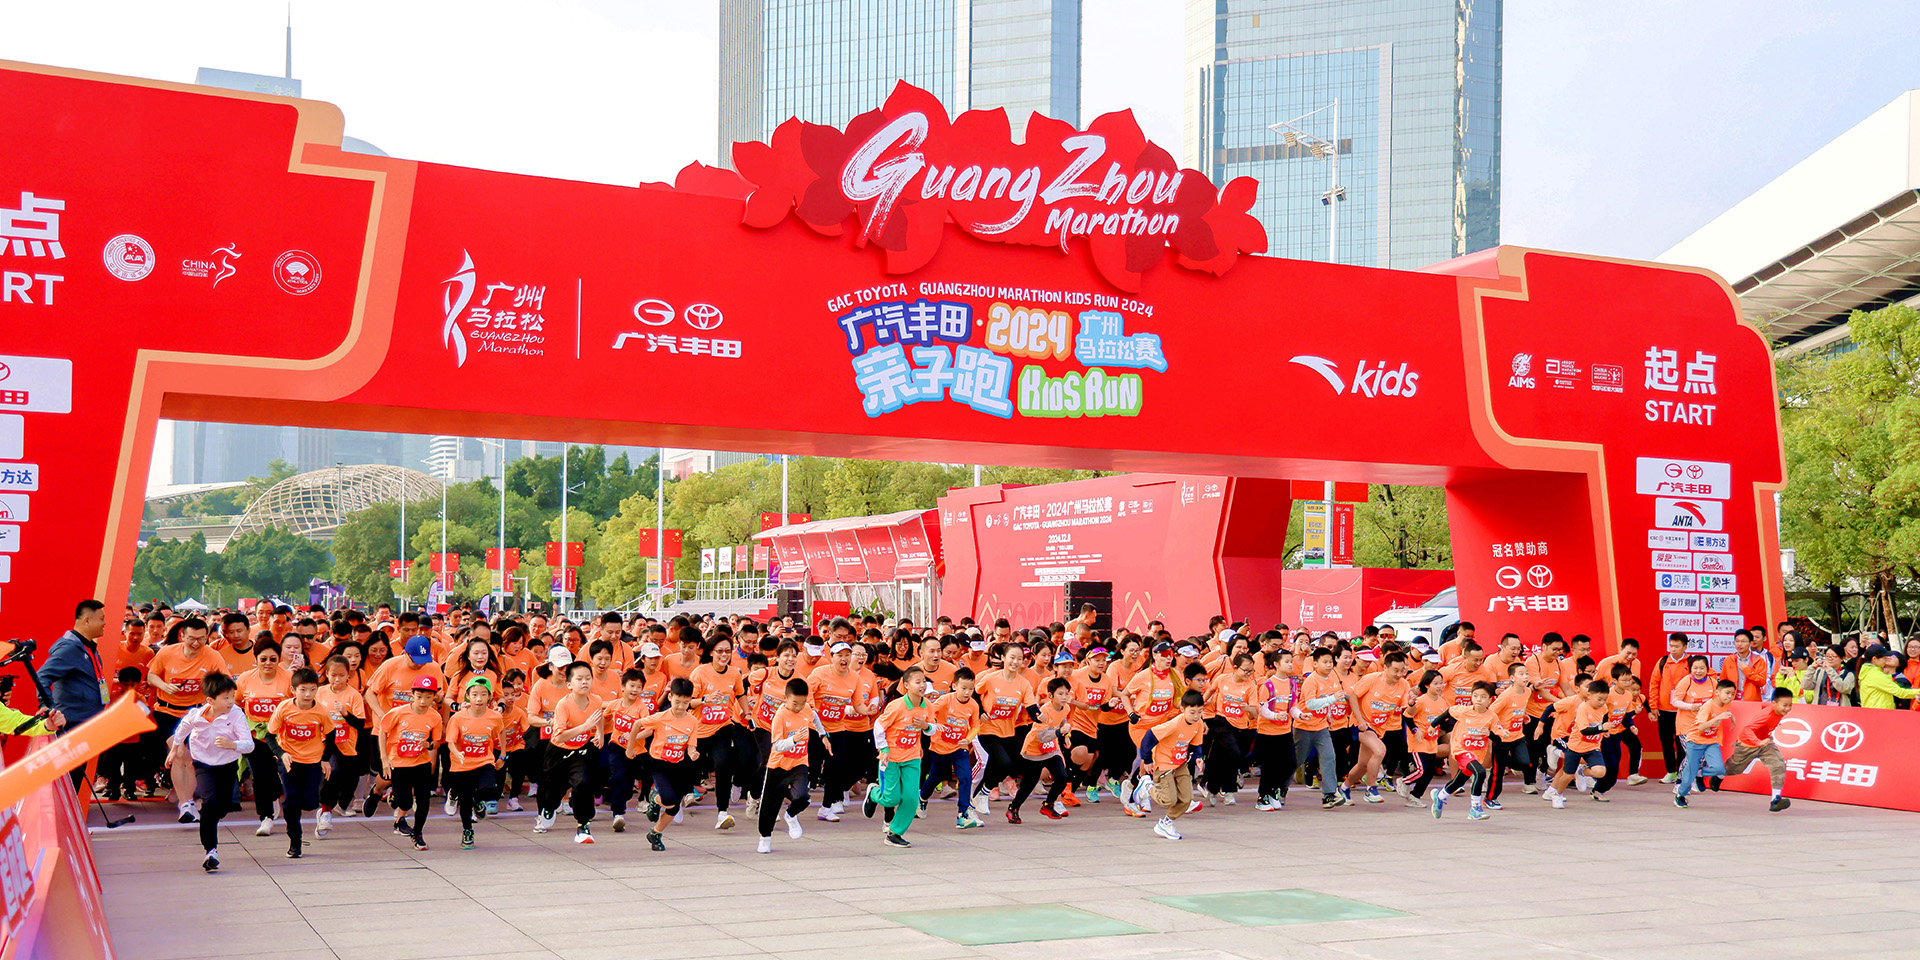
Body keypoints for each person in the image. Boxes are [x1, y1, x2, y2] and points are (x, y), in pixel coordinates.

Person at [168, 671, 251, 872]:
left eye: (232, 696)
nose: (231, 702)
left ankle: (214, 815)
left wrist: (233, 744)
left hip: (228, 764)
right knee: (210, 804)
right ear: (210, 700)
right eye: (226, 698)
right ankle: (211, 851)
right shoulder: (196, 715)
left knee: (223, 806)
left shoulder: (236, 714)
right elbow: (182, 728)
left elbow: (249, 745)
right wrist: (175, 748)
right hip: (203, 764)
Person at [148, 617, 227, 822]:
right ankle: (185, 804)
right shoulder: (167, 653)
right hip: (167, 712)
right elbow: (151, 676)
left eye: (201, 639)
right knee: (178, 752)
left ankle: (187, 800)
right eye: (191, 638)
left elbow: (224, 682)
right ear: (182, 636)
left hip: (195, 713)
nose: (196, 643)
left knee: (190, 757)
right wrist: (164, 686)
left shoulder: (213, 656)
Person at [264, 668, 333, 859]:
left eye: (312, 689)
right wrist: (282, 753)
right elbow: (269, 736)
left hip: (313, 761)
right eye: (303, 690)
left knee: (309, 803)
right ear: (293, 690)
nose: (308, 694)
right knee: (291, 802)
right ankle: (295, 840)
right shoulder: (284, 708)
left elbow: (331, 734)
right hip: (290, 761)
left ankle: (318, 812)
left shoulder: (321, 711)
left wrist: (325, 759)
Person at [757, 677, 828, 853]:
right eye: (795, 703)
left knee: (803, 797)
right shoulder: (780, 716)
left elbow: (815, 718)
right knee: (769, 805)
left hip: (799, 762)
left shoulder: (806, 709)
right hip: (778, 765)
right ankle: (765, 838)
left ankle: (791, 815)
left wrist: (823, 735)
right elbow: (777, 745)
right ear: (786, 698)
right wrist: (794, 740)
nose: (798, 707)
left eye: (802, 703)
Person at [630, 677, 701, 851]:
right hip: (658, 763)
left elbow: (691, 745)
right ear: (670, 697)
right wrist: (630, 747)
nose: (681, 707)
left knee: (674, 806)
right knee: (668, 799)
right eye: (677, 702)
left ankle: (655, 833)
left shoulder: (692, 721)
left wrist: (693, 753)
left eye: (685, 703)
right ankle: (655, 798)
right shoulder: (661, 717)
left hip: (678, 765)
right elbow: (638, 724)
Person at [42, 599, 106, 789]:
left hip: (85, 725)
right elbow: (42, 677)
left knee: (74, 783)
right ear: (87, 620)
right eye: (101, 618)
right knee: (67, 784)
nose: (105, 623)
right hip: (72, 727)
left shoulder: (88, 648)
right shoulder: (70, 648)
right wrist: (48, 709)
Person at [539, 661, 606, 843]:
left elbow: (598, 717)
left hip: (581, 751)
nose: (585, 682)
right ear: (569, 684)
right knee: (554, 791)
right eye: (579, 679)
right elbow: (559, 736)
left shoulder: (596, 700)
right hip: (558, 752)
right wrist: (585, 727)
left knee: (583, 783)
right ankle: (549, 808)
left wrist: (599, 733)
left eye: (588, 678)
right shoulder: (564, 705)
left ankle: (583, 825)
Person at [865, 665, 932, 846]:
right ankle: (873, 793)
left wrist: (926, 726)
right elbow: (879, 726)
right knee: (891, 798)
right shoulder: (897, 706)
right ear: (906, 685)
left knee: (911, 798)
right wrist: (884, 749)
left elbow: (931, 729)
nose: (922, 685)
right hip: (891, 759)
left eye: (924, 681)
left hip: (912, 758)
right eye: (917, 682)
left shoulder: (927, 705)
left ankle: (894, 833)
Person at [377, 674, 444, 850]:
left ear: (434, 697)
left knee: (423, 800)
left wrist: (429, 745)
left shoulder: (435, 717)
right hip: (399, 763)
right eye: (419, 696)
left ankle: (418, 833)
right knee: (405, 802)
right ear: (412, 694)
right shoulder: (398, 713)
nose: (423, 701)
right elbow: (383, 731)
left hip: (421, 762)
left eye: (428, 697)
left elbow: (437, 741)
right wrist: (384, 758)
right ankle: (392, 797)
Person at [1135, 690, 1207, 841]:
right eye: (1192, 712)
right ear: (1182, 709)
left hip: (1180, 763)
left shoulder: (1199, 723)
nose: (1196, 716)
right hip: (1164, 763)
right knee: (1168, 800)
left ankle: (1166, 823)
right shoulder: (1174, 724)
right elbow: (1149, 736)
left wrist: (1198, 758)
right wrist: (1147, 759)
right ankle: (1147, 786)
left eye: (1200, 712)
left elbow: (1196, 745)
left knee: (1186, 799)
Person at [444, 677, 506, 850]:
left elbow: (501, 732)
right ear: (467, 696)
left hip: (484, 760)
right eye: (475, 695)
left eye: (483, 695)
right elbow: (450, 742)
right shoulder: (458, 718)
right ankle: (467, 831)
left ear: (490, 697)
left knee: (489, 789)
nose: (479, 699)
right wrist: (457, 753)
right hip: (461, 764)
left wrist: (502, 755)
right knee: (464, 800)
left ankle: (478, 801)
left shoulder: (494, 717)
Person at [1004, 676, 1073, 824]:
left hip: (1050, 749)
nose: (1064, 697)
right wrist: (1060, 732)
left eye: (1066, 693)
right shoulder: (1044, 711)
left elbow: (1062, 720)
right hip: (1034, 751)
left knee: (1062, 777)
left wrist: (1066, 735)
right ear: (1050, 695)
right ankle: (1013, 808)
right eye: (1060, 694)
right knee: (1028, 785)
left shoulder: (1066, 707)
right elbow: (1042, 737)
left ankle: (1048, 805)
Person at [920, 667, 982, 828]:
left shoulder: (973, 705)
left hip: (959, 748)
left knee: (965, 777)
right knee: (935, 777)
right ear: (954, 686)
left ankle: (963, 814)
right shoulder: (945, 700)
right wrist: (934, 724)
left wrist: (967, 739)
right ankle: (922, 799)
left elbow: (975, 726)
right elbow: (929, 712)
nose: (967, 692)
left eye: (971, 689)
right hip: (939, 747)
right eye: (963, 688)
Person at [313, 655, 367, 839]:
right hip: (326, 743)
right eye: (333, 675)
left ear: (348, 675)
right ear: (327, 674)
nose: (337, 679)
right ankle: (325, 812)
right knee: (332, 772)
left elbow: (360, 723)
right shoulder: (320, 693)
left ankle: (339, 804)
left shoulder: (354, 695)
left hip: (348, 745)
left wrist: (345, 714)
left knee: (350, 780)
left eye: (341, 675)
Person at [1543, 681, 1614, 810]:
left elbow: (1603, 719)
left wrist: (1605, 730)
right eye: (1599, 699)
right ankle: (1557, 794)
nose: (1602, 702)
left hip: (1592, 747)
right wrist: (1601, 728)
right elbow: (1584, 730)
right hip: (1576, 747)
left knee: (1600, 771)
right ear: (1589, 695)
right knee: (1567, 775)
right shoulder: (1583, 708)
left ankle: (1581, 772)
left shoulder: (1604, 708)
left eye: (1605, 699)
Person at [1434, 681, 1499, 821]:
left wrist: (1490, 734)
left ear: (1490, 700)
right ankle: (1475, 808)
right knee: (1480, 772)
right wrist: (1433, 725)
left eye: (1483, 697)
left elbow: (1498, 738)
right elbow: (1448, 712)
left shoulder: (1492, 716)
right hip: (1461, 749)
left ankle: (1439, 796)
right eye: (1475, 696)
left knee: (1458, 782)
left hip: (1477, 753)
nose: (1478, 699)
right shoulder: (1464, 711)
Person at [1674, 680, 1738, 808]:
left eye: (1732, 694)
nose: (1730, 696)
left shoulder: (1727, 704)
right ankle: (1680, 795)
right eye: (1727, 693)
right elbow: (1701, 727)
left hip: (1711, 741)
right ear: (1717, 692)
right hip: (1695, 741)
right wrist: (1717, 718)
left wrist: (1732, 717)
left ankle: (1698, 773)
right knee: (1689, 774)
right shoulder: (1708, 706)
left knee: (1719, 769)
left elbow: (1725, 712)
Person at [1858, 644, 1920, 709]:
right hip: (1879, 712)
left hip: (1875, 710)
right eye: (1884, 658)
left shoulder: (1869, 672)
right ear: (1874, 659)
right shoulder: (1874, 674)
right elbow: (1900, 692)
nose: (1886, 660)